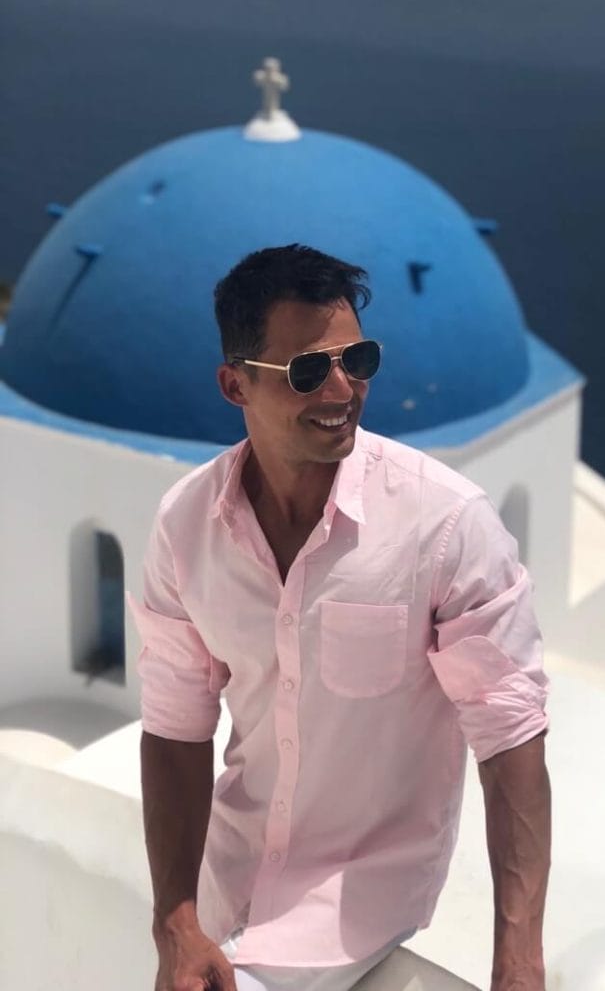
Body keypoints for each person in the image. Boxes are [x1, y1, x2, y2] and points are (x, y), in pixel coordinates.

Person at [132, 244, 551, 991]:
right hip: (225, 885)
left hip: (353, 907)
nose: (342, 387)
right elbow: (174, 729)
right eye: (307, 371)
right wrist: (176, 919)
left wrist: (518, 963)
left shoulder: (444, 525)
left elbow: (510, 735)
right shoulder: (185, 524)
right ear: (235, 385)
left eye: (357, 359)